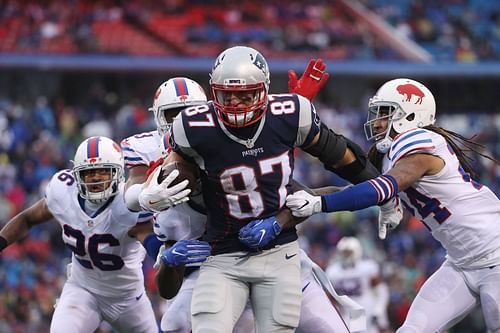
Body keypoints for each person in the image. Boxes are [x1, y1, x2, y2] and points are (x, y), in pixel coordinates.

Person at [139, 45, 397, 333]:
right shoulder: (174, 158)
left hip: (279, 256)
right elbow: (142, 206)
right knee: (174, 323)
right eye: (227, 96)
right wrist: (148, 200)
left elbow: (321, 177)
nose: (235, 105)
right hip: (218, 261)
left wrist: (383, 190)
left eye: (245, 95)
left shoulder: (272, 126)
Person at [286, 78, 500, 333]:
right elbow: (356, 184)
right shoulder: (392, 156)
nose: (376, 121)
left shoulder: (421, 144)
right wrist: (297, 117)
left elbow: (382, 188)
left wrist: (320, 204)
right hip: (460, 263)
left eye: (385, 113)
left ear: (410, 115)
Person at [0, 136, 159, 333]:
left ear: (118, 173)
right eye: (89, 172)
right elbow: (27, 218)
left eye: (103, 171)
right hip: (82, 290)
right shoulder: (63, 192)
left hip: (128, 299)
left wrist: (166, 255)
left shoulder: (128, 204)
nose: (95, 178)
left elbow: (151, 241)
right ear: (77, 175)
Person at [326, 236, 390, 333]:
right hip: (346, 314)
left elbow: (381, 291)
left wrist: (379, 309)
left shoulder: (367, 267)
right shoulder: (333, 271)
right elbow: (329, 299)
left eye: (349, 252)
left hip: (366, 311)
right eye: (344, 253)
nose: (346, 256)